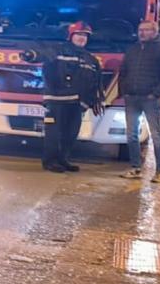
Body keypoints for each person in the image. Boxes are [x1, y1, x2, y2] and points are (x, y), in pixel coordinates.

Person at [22, 21, 103, 173]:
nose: (82, 38)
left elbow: (95, 82)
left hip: (77, 104)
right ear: (70, 36)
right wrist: (30, 55)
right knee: (53, 133)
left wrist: (92, 101)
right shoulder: (58, 50)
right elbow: (43, 54)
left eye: (85, 36)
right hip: (57, 101)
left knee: (71, 134)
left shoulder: (91, 59)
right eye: (79, 34)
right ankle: (50, 161)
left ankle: (63, 159)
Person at [119, 19, 160, 181]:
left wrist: (155, 94)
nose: (142, 32)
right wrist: (125, 91)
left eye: (146, 30)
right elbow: (124, 71)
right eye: (140, 30)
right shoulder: (133, 49)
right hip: (132, 98)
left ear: (154, 31)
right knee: (131, 135)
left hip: (150, 99)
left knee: (155, 134)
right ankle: (135, 168)